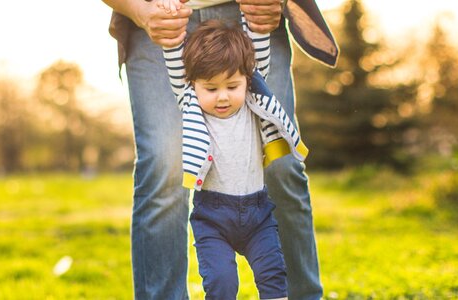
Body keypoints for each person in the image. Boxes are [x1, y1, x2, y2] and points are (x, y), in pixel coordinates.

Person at [100, 0, 339, 299]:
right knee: (164, 165)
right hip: (161, 18)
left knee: (281, 163)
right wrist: (138, 11)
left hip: (253, 11)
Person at [161, 15, 303, 299]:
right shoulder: (189, 102)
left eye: (232, 86)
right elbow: (174, 52)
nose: (222, 97)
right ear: (193, 84)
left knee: (273, 276)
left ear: (247, 79)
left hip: (258, 214)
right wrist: (170, 13)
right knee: (221, 283)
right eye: (211, 89)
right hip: (212, 217)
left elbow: (257, 41)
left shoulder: (252, 98)